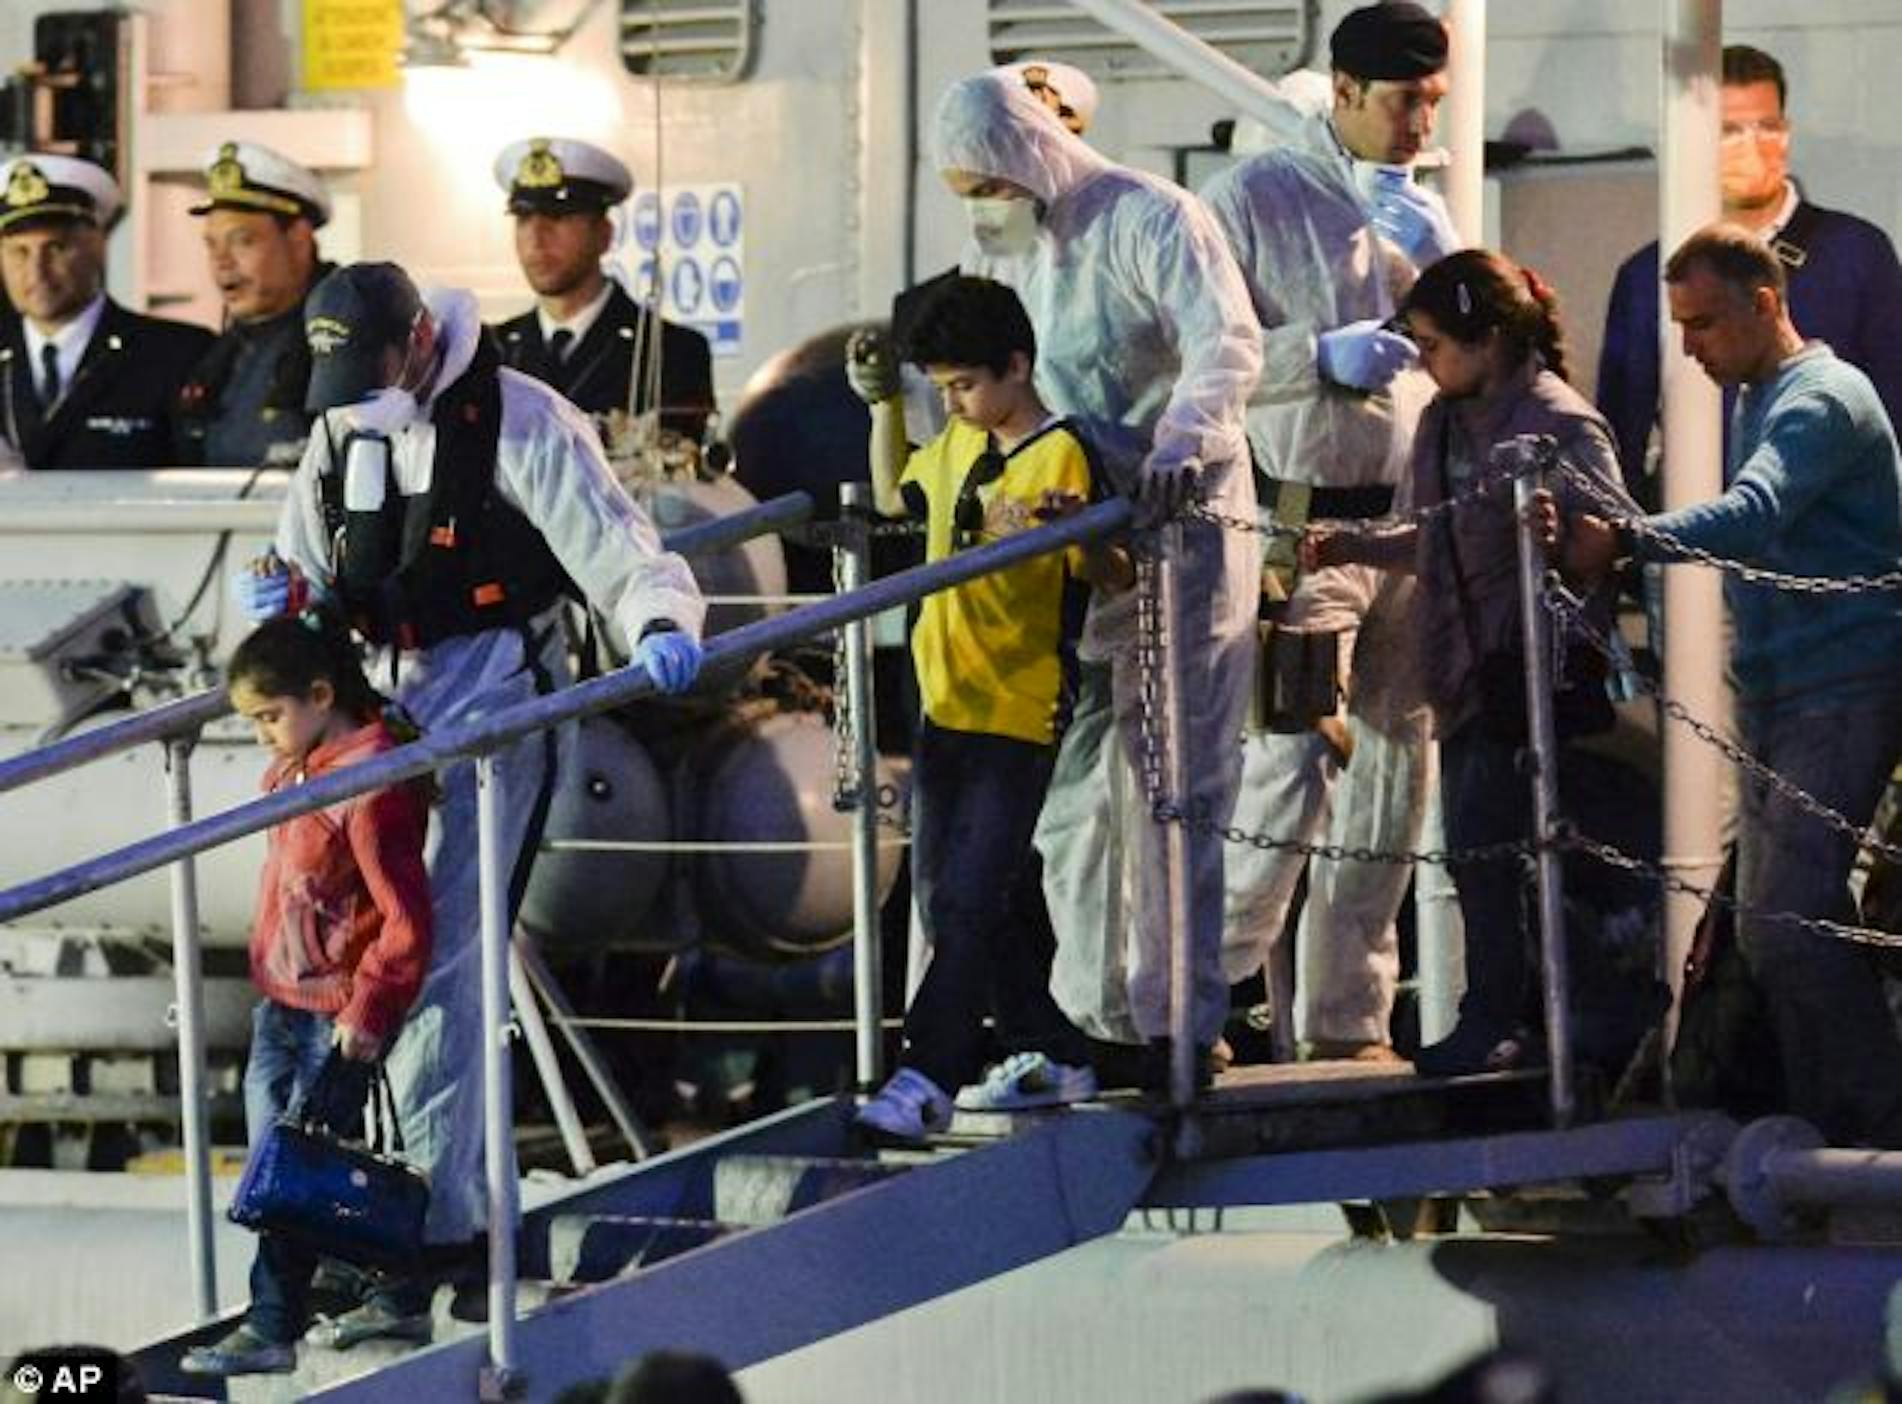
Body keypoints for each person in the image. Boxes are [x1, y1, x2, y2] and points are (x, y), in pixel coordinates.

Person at [235, 260, 707, 1343]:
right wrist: (279, 598)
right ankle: (376, 1238)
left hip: (491, 695)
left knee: (440, 964)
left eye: (368, 369)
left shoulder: (523, 418)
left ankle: (433, 1236)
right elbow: (302, 560)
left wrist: (661, 626)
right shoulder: (345, 425)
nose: (357, 391)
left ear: (413, 344)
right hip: (367, 715)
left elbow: (619, 545)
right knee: (357, 972)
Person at [933, 69, 1261, 1087]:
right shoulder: (1018, 260)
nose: (982, 206)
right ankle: (1094, 1018)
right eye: (965, 191)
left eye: (987, 183)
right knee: (1076, 792)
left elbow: (1227, 345)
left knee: (1173, 788)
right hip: (1072, 546)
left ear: (1029, 153)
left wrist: (1182, 443)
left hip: (1182, 532)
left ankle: (1178, 1022)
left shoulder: (1152, 219)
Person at [1552, 225, 1902, 1145]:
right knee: (1770, 929)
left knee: (1790, 925)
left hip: (1841, 684)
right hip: (1792, 687)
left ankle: (1868, 1123)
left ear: (1767, 303)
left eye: (1704, 324)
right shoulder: (1768, 393)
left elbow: (1755, 513)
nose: (1692, 347)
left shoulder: (1816, 402)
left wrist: (1623, 540)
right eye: (1682, 326)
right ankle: (1827, 1126)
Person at [1197, 0, 1454, 1062]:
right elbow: (1202, 356)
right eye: (1403, 102)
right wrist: (1318, 356)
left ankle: (1351, 1021)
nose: (1420, 125)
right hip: (1303, 527)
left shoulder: (1417, 208)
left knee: (1397, 784)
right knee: (1284, 770)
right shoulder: (1248, 199)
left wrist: (1437, 261)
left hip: (1408, 523)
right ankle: (1203, 996)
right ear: (1344, 90)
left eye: (1432, 103)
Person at [1305, 249, 1630, 1075]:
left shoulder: (1562, 425)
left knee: (1502, 850)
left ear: (1488, 340)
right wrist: (1351, 544)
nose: (1422, 360)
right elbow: (1433, 530)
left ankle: (1526, 1017)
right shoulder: (1442, 421)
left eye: (1434, 343)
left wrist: (1563, 549)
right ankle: (1525, 1014)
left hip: (1527, 674)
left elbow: (1611, 545)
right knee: (1482, 856)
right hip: (1456, 672)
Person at [849, 275, 1128, 1137]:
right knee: (959, 898)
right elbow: (899, 493)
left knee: (967, 898)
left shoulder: (1064, 453)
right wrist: (883, 406)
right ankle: (1056, 1048)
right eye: (942, 389)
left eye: (965, 384)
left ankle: (925, 1076)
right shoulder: (959, 445)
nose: (957, 403)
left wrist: (1082, 529)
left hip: (1019, 708)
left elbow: (1113, 573)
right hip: (947, 705)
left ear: (1017, 365)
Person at [180, 613, 434, 1377]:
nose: (261, 733)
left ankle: (273, 1325)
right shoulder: (300, 762)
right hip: (282, 1002)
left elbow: (405, 917)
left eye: (269, 715)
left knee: (290, 1177)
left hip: (334, 1014)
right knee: (274, 1164)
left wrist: (371, 1011)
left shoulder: (370, 782)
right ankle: (381, 1281)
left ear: (320, 695)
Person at [1598, 44, 1902, 505]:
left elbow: (1893, 405)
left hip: (1829, 548)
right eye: (1730, 131)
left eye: (1768, 126)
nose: (1754, 146)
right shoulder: (1646, 278)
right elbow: (1620, 432)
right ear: (1694, 138)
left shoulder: (1858, 254)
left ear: (1787, 131)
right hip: (1691, 546)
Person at [491, 137, 715, 446]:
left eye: (557, 216)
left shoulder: (670, 353)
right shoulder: (492, 352)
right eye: (524, 218)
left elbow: (676, 477)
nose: (536, 238)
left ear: (604, 235)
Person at [0, 154, 210, 469]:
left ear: (98, 247)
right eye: (20, 252)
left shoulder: (175, 354)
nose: (36, 271)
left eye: (55, 248)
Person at [176, 141, 335, 468]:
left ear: (299, 240)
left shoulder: (342, 336)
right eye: (212, 245)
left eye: (242, 241)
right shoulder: (226, 350)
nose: (222, 262)